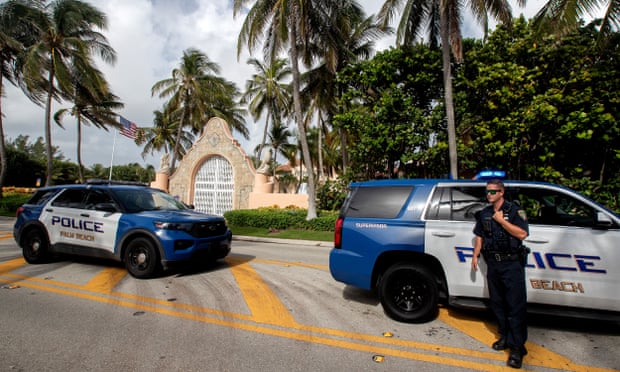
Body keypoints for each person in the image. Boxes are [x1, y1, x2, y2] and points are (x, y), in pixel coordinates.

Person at [472, 179, 529, 369]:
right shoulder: (485, 212)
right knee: (498, 304)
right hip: (493, 264)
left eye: (493, 192)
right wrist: (475, 254)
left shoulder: (514, 211)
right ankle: (504, 337)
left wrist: (502, 221)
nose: (489, 195)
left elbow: (522, 234)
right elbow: (480, 234)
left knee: (515, 306)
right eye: (487, 192)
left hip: (511, 264)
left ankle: (517, 348)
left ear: (501, 192)